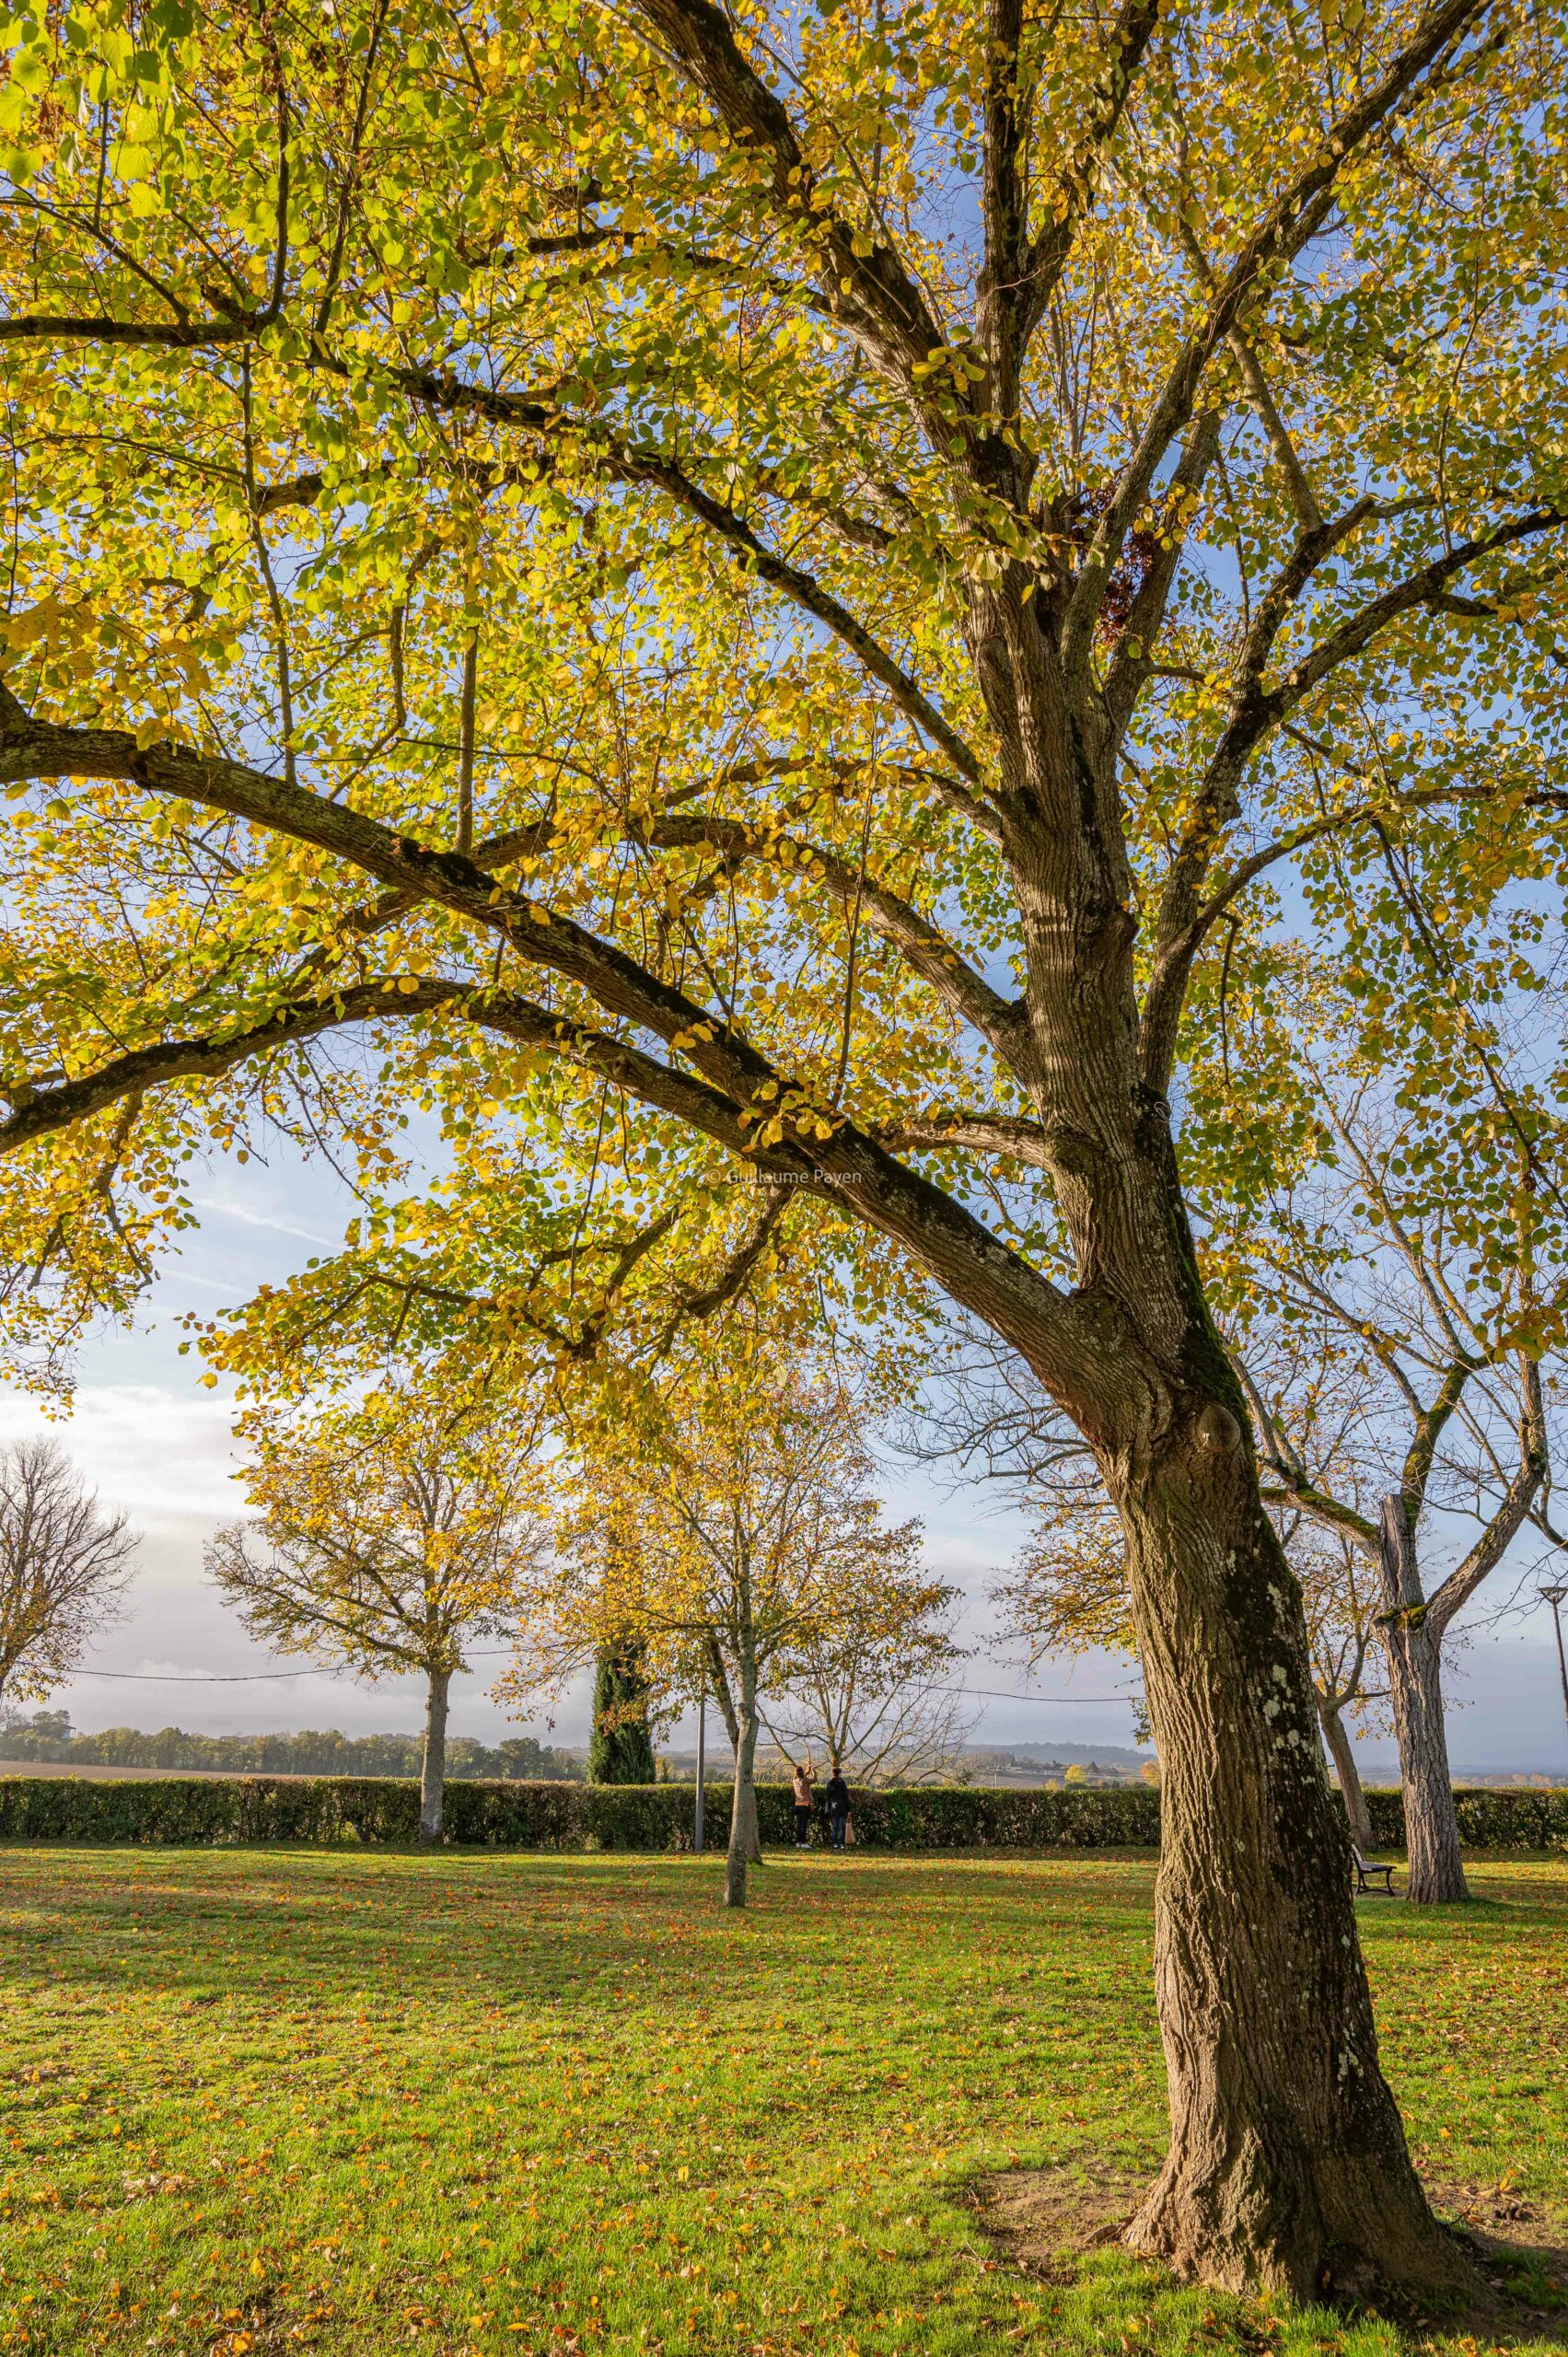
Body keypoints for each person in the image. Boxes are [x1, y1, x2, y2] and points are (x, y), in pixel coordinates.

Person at [825, 1761, 851, 1852]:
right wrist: (849, 1809)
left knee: (834, 1827)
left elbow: (828, 1796)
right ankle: (842, 1844)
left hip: (833, 1806)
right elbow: (846, 1797)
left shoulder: (830, 1783)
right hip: (842, 1807)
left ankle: (835, 1844)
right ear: (839, 1773)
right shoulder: (842, 1783)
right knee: (842, 1827)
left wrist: (829, 1806)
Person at [791, 1759, 816, 1849]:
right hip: (805, 1805)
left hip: (797, 1805)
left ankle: (798, 1842)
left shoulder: (795, 1780)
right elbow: (815, 1779)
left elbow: (802, 1778)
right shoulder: (805, 1781)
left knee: (799, 1824)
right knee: (804, 1824)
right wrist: (812, 1770)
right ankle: (804, 1843)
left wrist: (806, 1771)